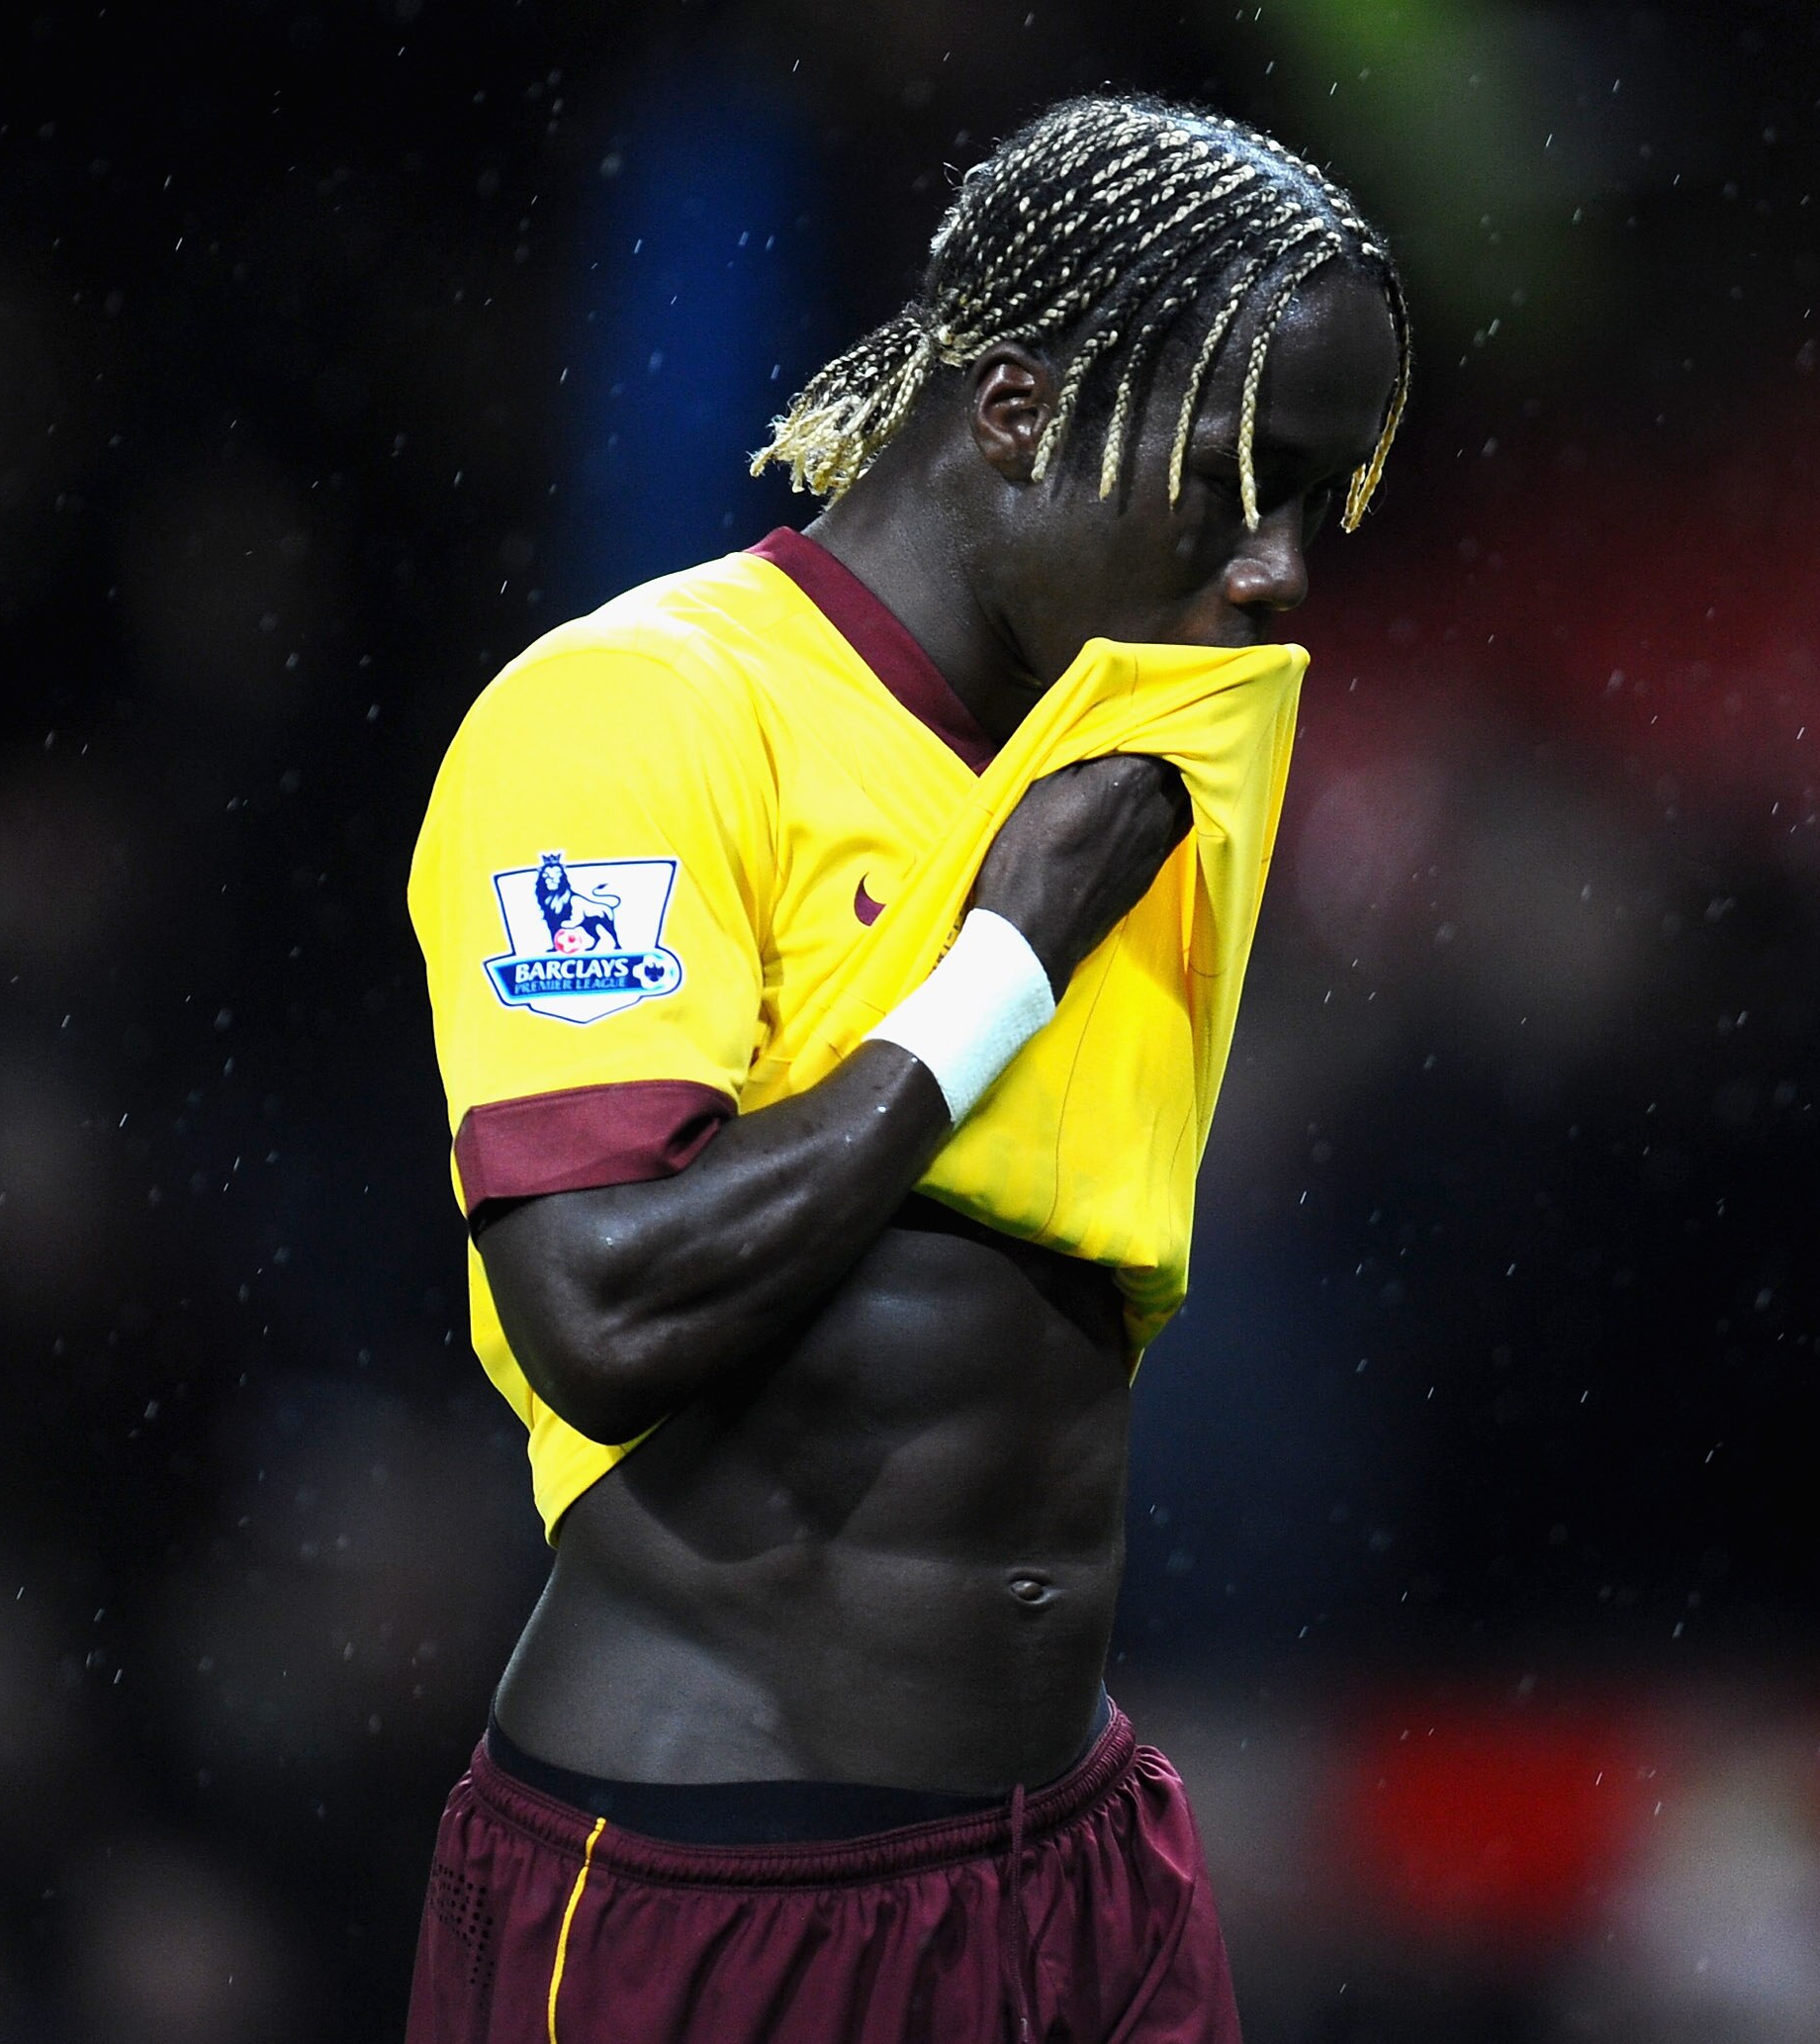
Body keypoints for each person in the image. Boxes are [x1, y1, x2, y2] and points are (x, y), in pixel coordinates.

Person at [402, 93, 1409, 2044]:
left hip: (1081, 1870)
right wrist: (1001, 965)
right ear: (1016, 413)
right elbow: (597, 1307)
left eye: (1319, 502)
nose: (1281, 573)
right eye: (1236, 481)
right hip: (703, 1888)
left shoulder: (1147, 764)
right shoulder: (634, 713)